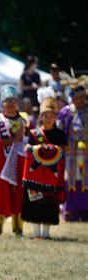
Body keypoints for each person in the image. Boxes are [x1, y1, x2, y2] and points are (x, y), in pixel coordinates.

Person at [0, 85, 26, 236]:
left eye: (13, 100)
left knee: (18, 192)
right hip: (0, 162)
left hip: (20, 162)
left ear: (17, 103)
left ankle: (18, 226)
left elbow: (29, 140)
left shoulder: (24, 121)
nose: (10, 104)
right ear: (2, 104)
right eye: (7, 101)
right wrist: (14, 138)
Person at [22, 98, 66, 239]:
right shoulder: (34, 134)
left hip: (51, 175)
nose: (48, 118)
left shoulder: (60, 134)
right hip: (36, 174)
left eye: (51, 115)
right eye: (45, 115)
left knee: (49, 202)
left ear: (55, 117)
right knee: (34, 201)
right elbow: (27, 148)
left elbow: (64, 150)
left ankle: (46, 233)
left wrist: (53, 150)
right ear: (40, 117)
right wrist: (40, 148)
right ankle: (36, 233)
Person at [57, 85, 88, 221]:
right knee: (71, 181)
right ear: (74, 98)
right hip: (70, 155)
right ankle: (70, 211)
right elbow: (59, 132)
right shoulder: (66, 112)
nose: (83, 100)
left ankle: (85, 212)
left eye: (84, 97)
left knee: (85, 181)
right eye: (80, 97)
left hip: (86, 154)